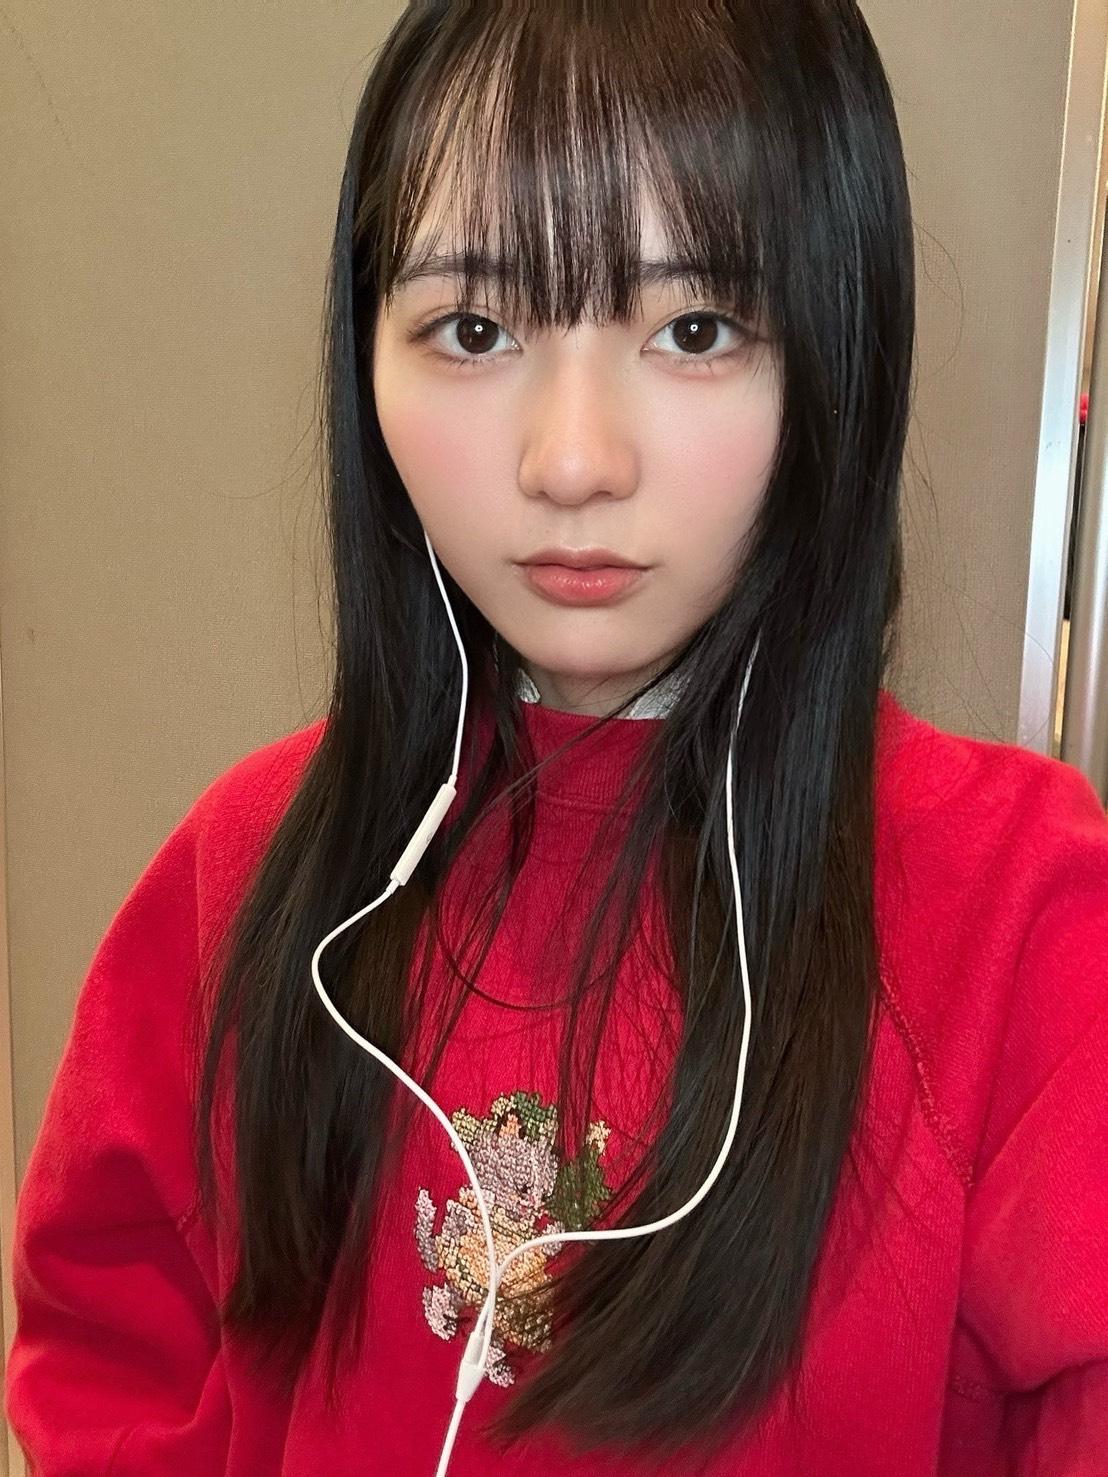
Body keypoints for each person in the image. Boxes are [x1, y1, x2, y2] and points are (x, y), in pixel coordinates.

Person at [6, 1, 1107, 1473]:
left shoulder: (1022, 912)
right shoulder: (245, 872)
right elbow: (107, 1356)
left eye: (695, 329)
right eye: (473, 330)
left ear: (838, 347)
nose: (573, 460)